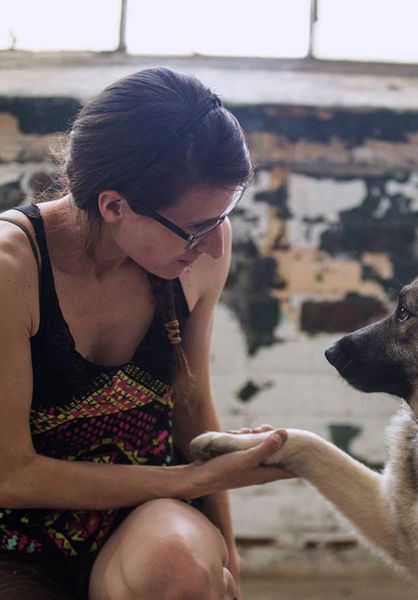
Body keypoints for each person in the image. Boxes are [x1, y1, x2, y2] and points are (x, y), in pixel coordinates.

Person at [0, 67, 292, 600]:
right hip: (16, 539)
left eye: (221, 219)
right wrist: (191, 481)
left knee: (177, 570)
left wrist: (228, 558)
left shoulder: (201, 250)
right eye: (197, 227)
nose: (213, 246)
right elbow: (10, 474)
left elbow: (191, 402)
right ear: (114, 205)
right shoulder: (10, 269)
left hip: (145, 519)